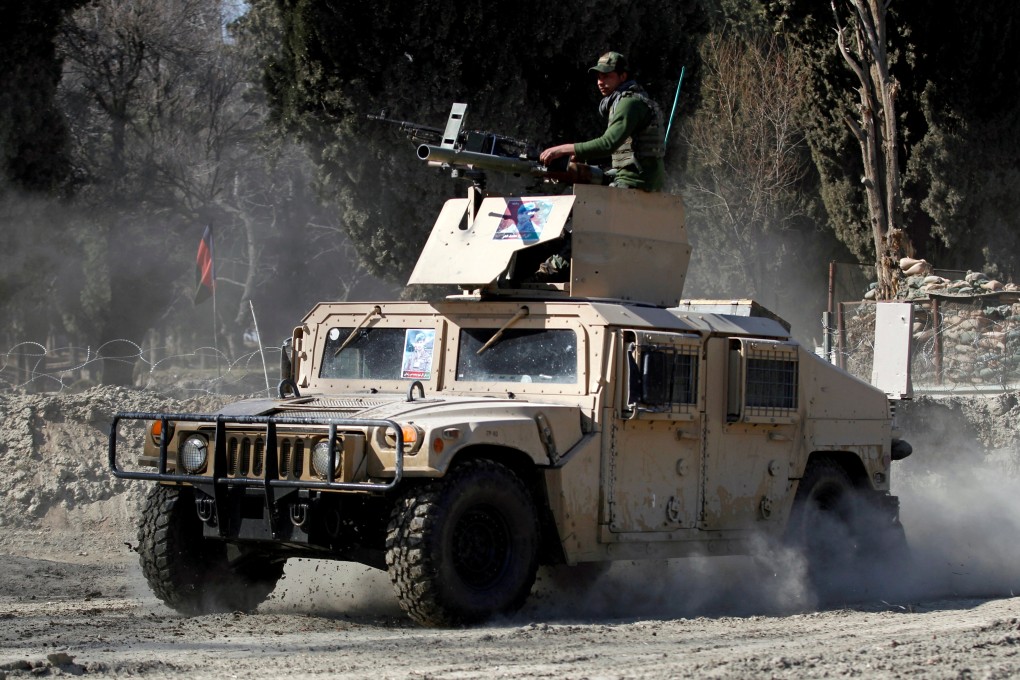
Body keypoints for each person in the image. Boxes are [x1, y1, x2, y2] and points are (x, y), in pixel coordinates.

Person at [540, 51, 665, 192]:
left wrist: (562, 150)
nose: (600, 82)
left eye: (606, 76)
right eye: (598, 77)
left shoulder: (629, 103)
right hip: (637, 177)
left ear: (622, 76)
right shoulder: (632, 100)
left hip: (636, 180)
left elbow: (607, 144)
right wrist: (580, 154)